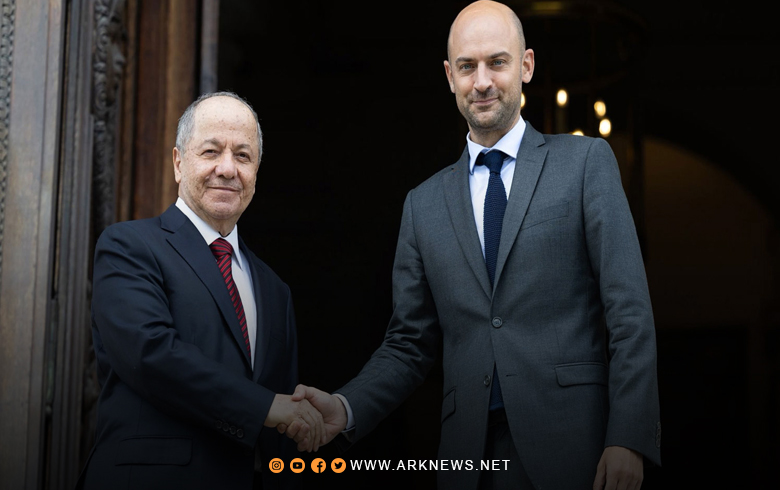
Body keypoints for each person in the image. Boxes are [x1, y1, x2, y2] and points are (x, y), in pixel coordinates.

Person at [286, 2, 661, 489]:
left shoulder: (585, 163)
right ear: (449, 76)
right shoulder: (422, 205)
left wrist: (628, 437)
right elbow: (408, 345)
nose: (481, 81)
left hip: (577, 449)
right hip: (468, 460)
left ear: (526, 65)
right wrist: (345, 405)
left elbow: (629, 314)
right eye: (467, 67)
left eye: (497, 62)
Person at [77, 92, 324, 490]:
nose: (227, 169)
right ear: (179, 163)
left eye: (243, 156)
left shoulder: (274, 290)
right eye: (211, 151)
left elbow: (282, 428)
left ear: (256, 171)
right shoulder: (129, 246)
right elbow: (150, 354)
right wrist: (266, 407)